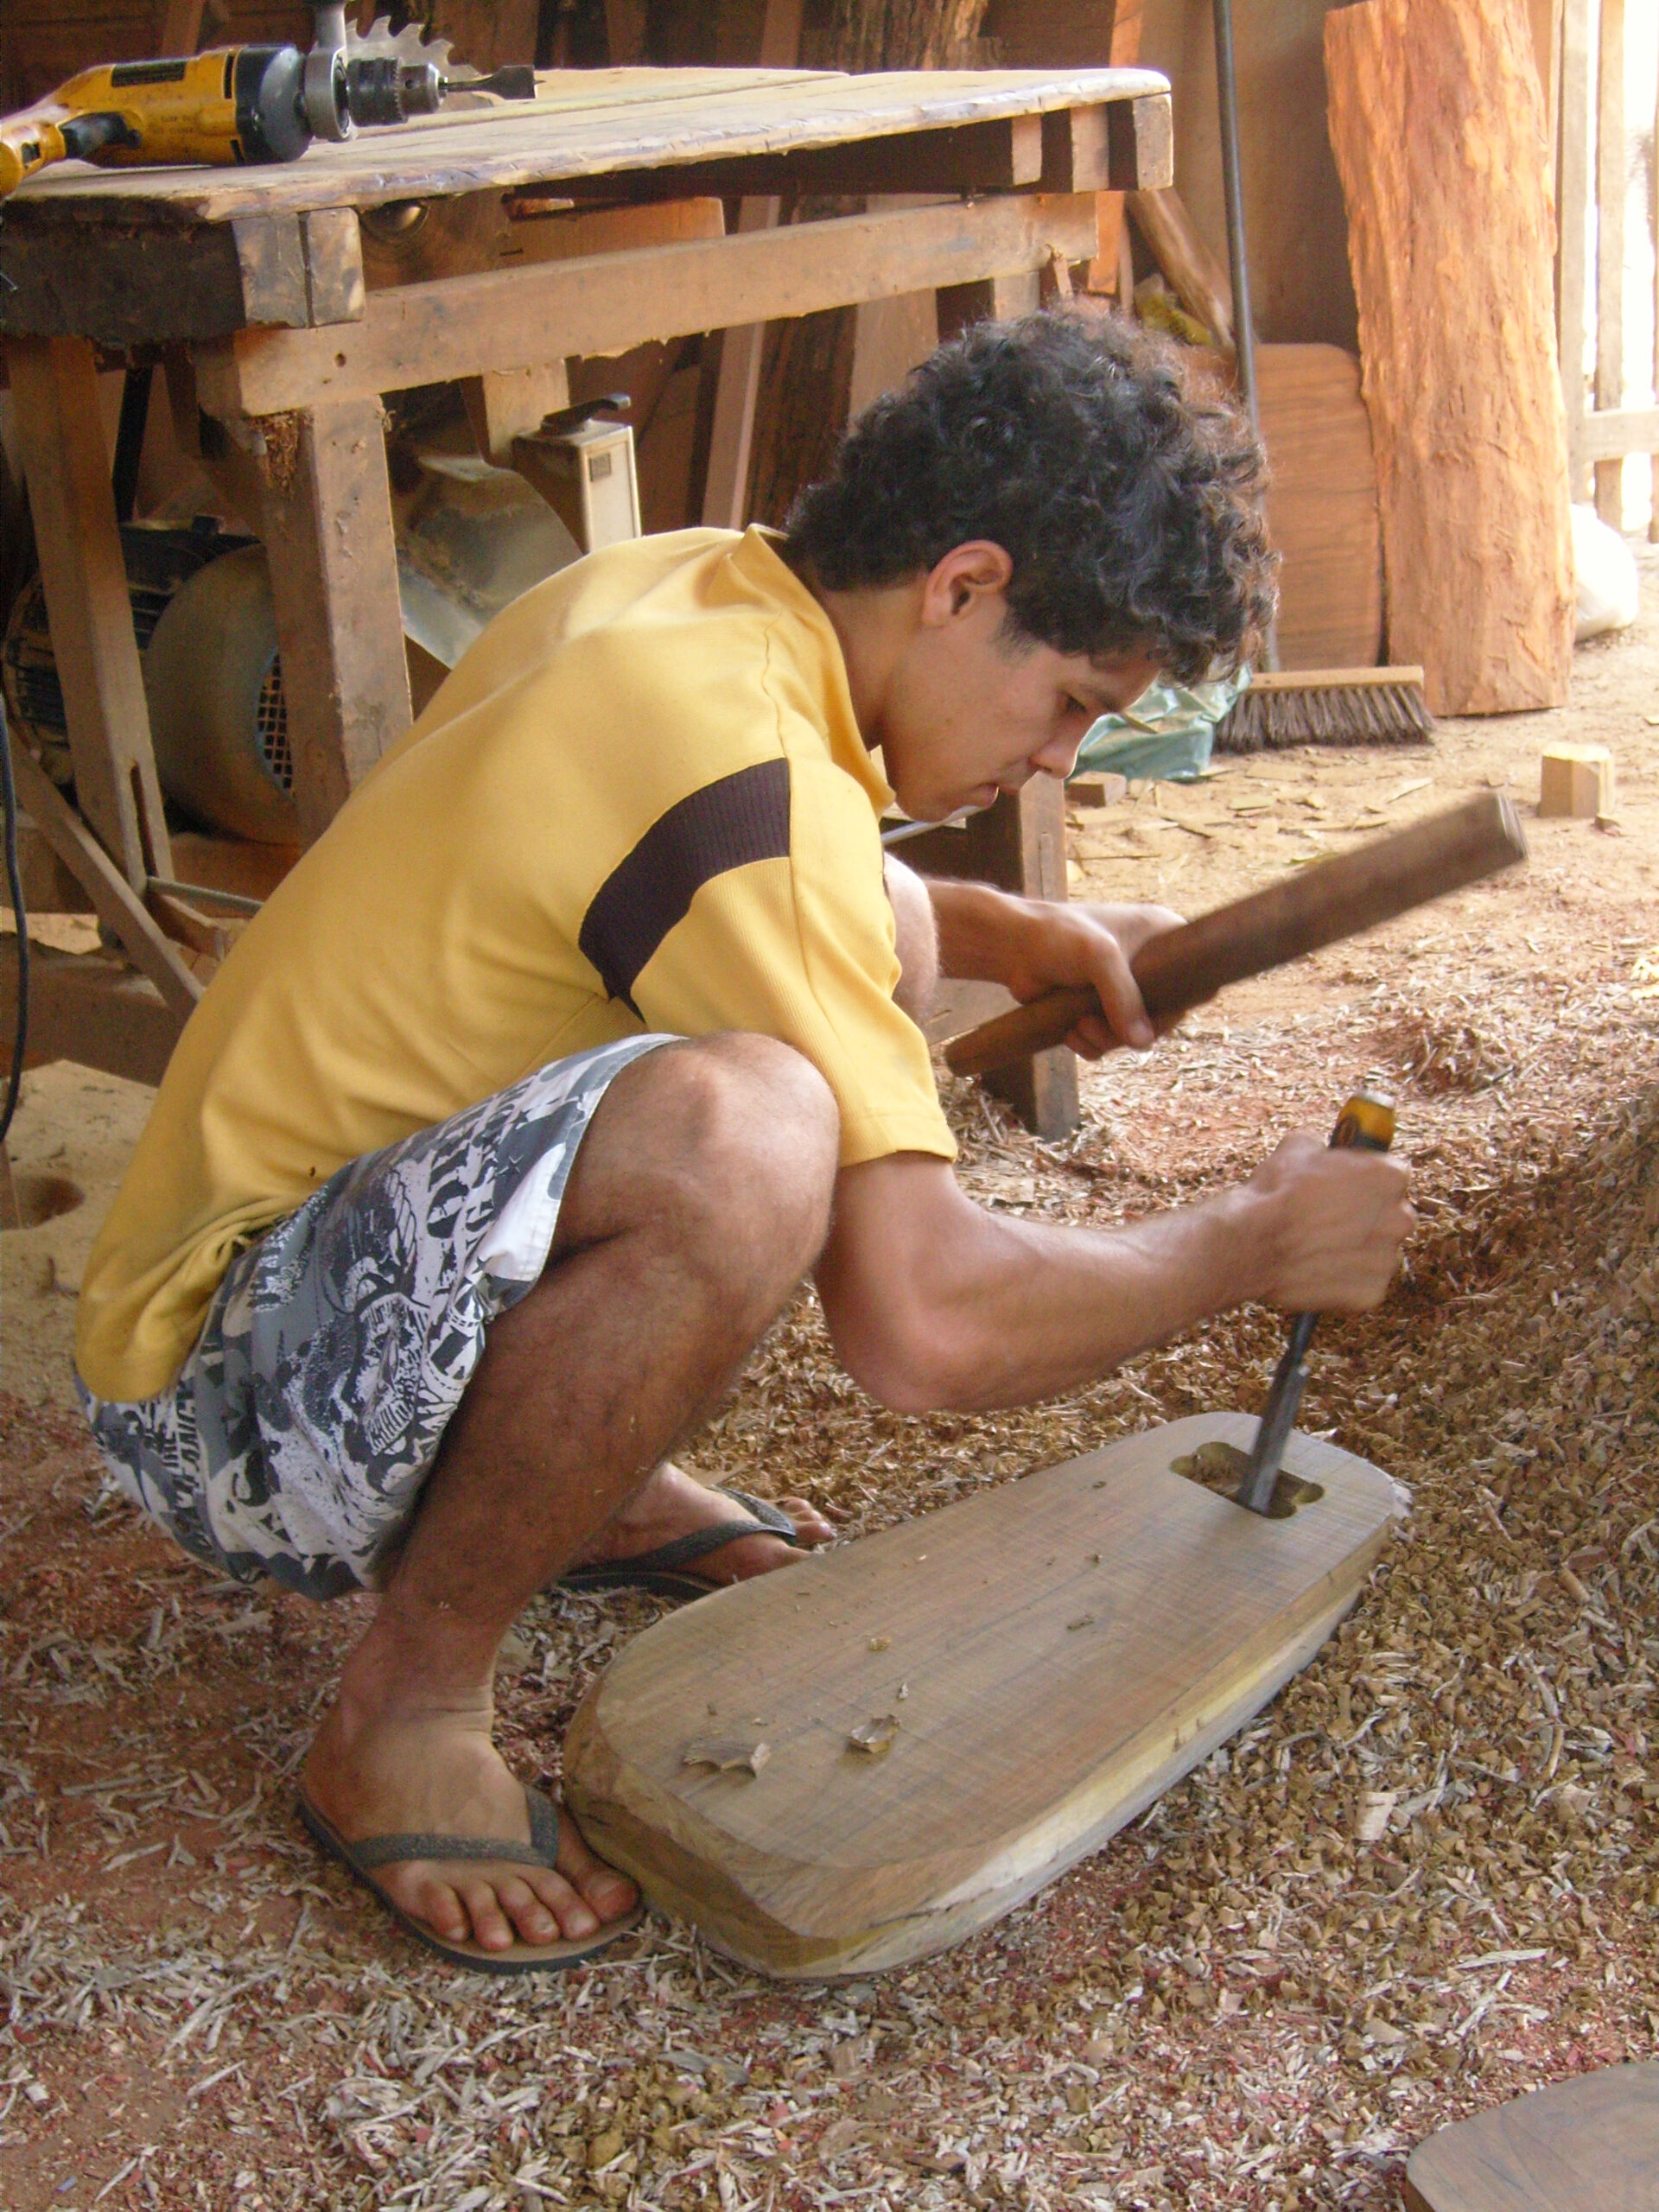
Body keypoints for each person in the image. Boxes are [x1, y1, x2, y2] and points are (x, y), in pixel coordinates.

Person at [73, 311, 1412, 1971]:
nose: (1061, 755)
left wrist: (1008, 929)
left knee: (881, 965)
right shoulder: (744, 780)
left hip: (308, 1278)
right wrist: (1243, 1245)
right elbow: (921, 1327)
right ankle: (402, 1708)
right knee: (754, 1141)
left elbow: (802, 866)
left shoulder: (695, 592)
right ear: (964, 584)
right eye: (1069, 701)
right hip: (227, 1397)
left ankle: (590, 1485)